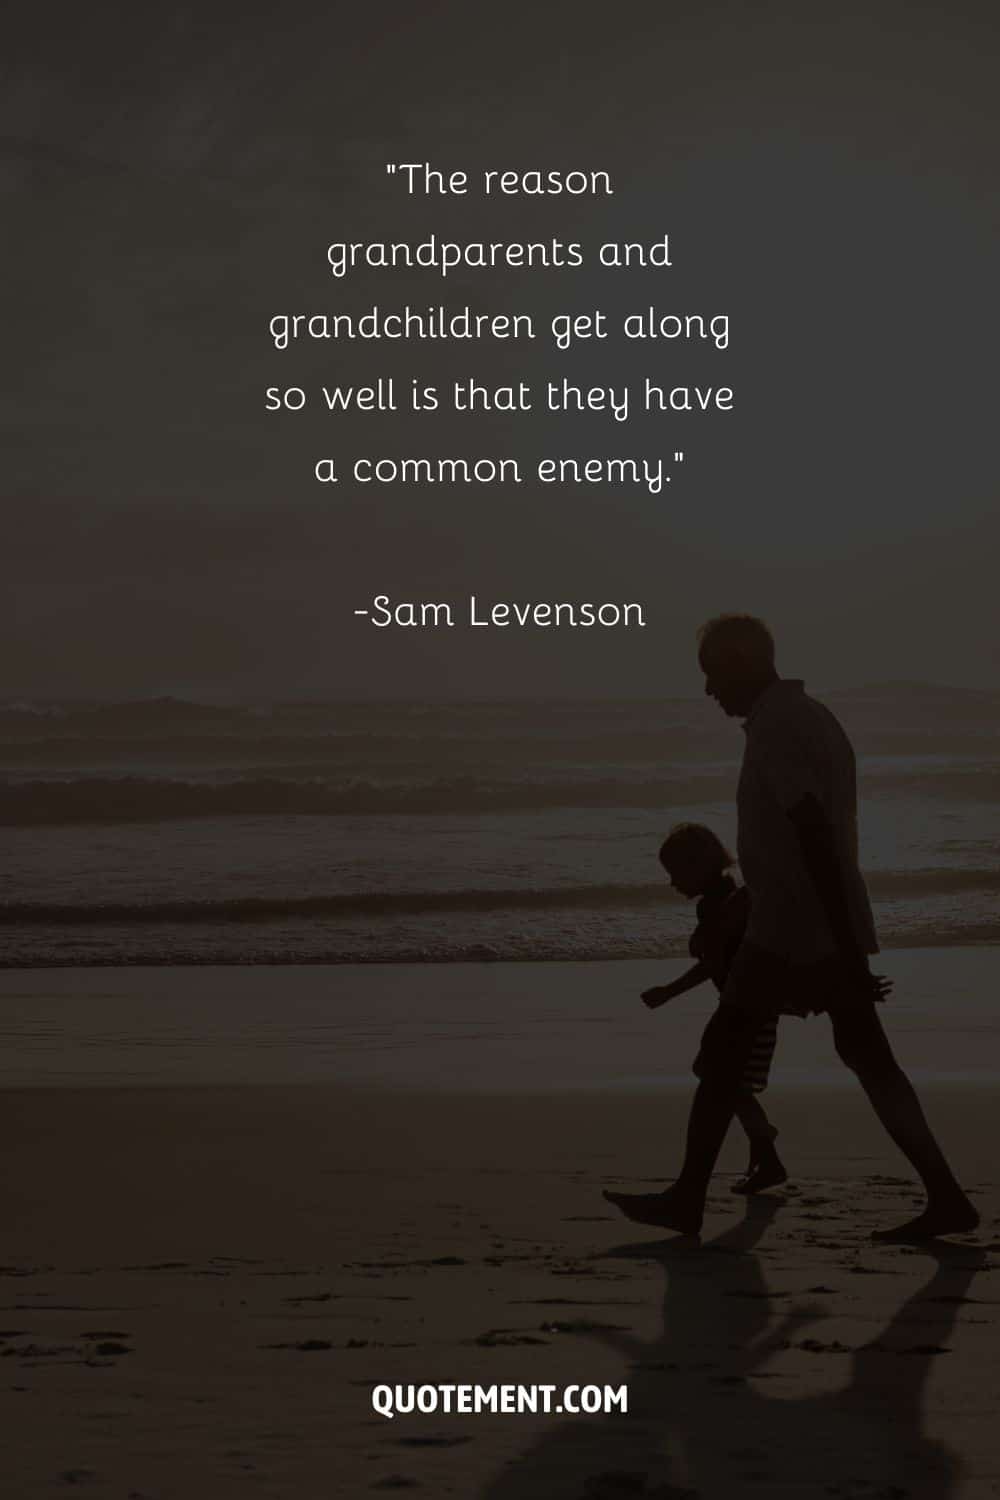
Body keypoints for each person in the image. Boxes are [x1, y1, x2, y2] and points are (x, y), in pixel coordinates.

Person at [606, 614, 978, 1243]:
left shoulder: (780, 730)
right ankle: (944, 1196)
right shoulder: (811, 718)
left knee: (733, 1053)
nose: (708, 692)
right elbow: (803, 840)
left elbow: (813, 837)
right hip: (799, 921)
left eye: (714, 675)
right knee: (857, 1056)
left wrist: (845, 952)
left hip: (795, 928)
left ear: (743, 662)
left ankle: (688, 1199)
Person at [642, 822, 787, 1193]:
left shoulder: (725, 904)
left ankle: (765, 1148)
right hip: (744, 1004)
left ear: (698, 865)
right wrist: (672, 988)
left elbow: (714, 962)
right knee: (722, 1077)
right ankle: (764, 1145)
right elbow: (713, 961)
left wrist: (670, 991)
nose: (673, 884)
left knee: (723, 1079)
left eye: (675, 874)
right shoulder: (723, 900)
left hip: (749, 1006)